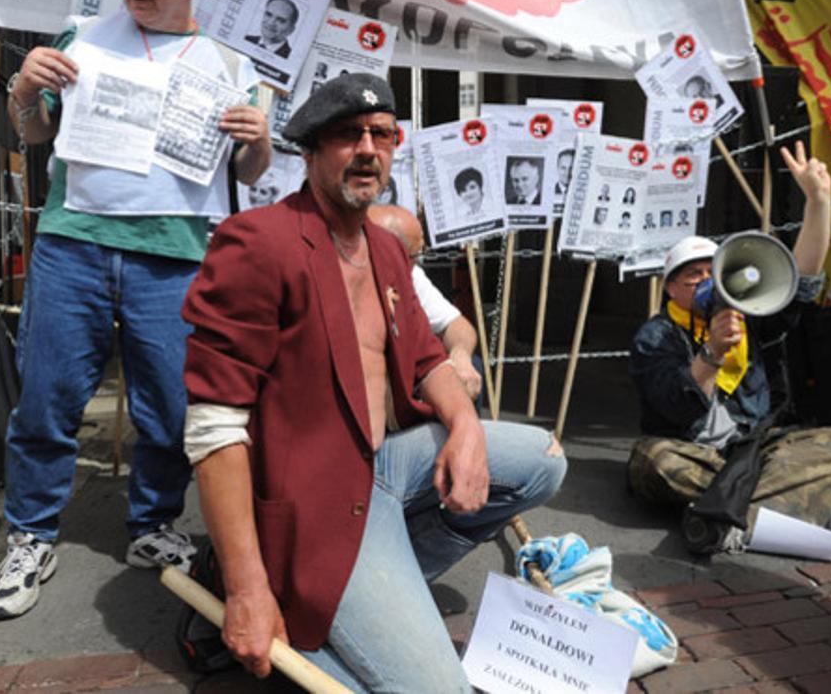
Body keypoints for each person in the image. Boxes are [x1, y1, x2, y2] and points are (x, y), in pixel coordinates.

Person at [181, 73, 566, 688]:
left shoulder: (385, 251)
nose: (368, 150)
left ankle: (371, 592)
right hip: (314, 503)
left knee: (543, 460)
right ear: (309, 152)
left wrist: (465, 428)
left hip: (383, 468)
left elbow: (426, 362)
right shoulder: (259, 243)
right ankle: (287, 597)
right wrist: (250, 590)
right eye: (346, 136)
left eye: (381, 134)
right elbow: (213, 428)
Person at [0, 0, 271, 621]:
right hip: (73, 242)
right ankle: (30, 535)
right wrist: (23, 90)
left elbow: (252, 169)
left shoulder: (231, 67)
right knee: (47, 397)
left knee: (172, 407)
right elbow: (33, 133)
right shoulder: (82, 37)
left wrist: (258, 137)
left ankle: (152, 525)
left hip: (175, 254)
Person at [627, 142, 831, 553]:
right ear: (670, 289)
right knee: (653, 462)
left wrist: (818, 203)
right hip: (695, 451)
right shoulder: (656, 335)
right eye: (691, 275)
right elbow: (674, 408)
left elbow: (800, 279)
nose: (704, 281)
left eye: (710, 271)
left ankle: (723, 516)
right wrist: (712, 353)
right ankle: (788, 506)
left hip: (753, 448)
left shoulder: (754, 316)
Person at [368, 204, 483, 400]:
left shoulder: (411, 274)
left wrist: (461, 355)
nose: (418, 262)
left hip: (408, 379)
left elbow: (457, 325)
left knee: (471, 366)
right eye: (414, 255)